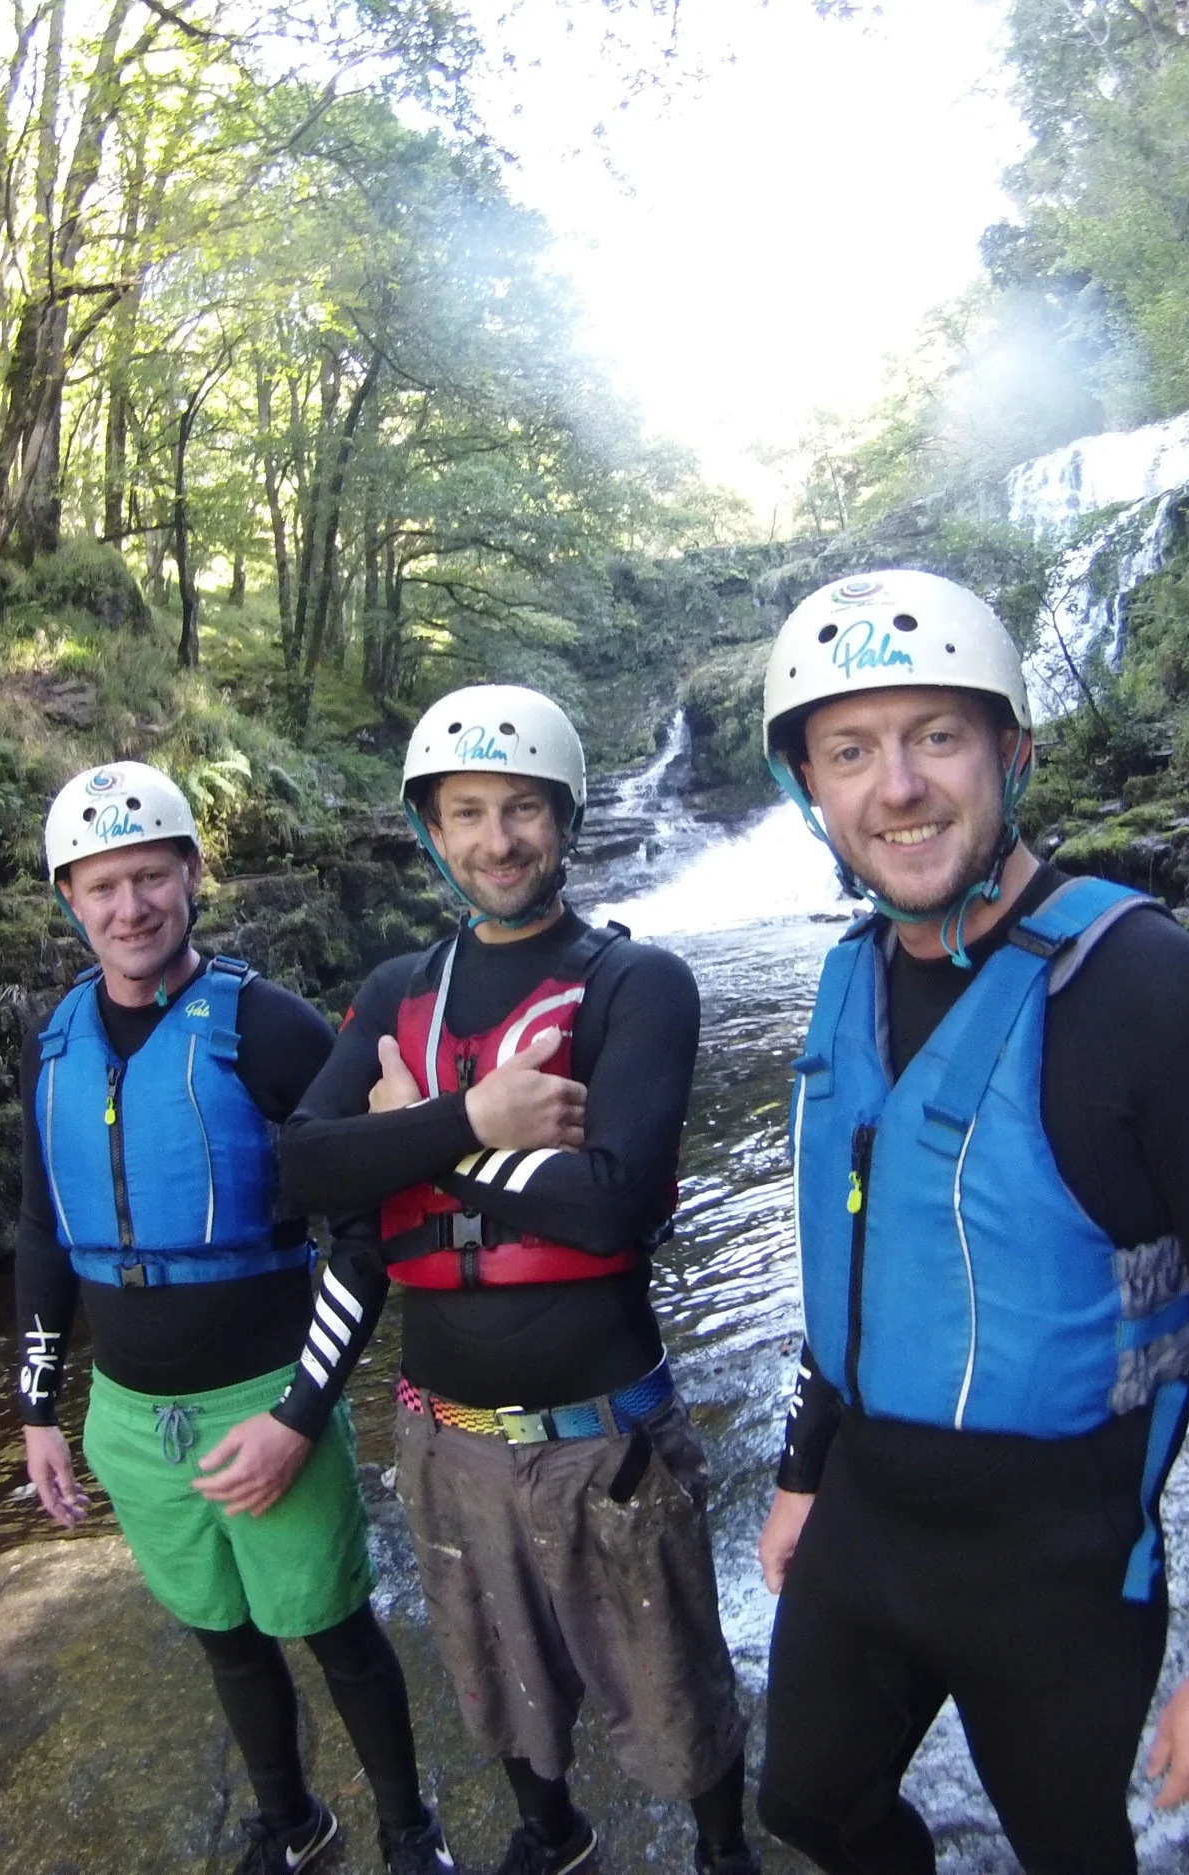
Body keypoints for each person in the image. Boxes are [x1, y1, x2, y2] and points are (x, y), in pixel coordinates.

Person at [749, 571, 1189, 1875]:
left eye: (936, 735)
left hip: (1059, 1573)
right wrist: (800, 1470)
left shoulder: (1150, 989)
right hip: (864, 1524)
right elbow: (860, 1258)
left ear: (1010, 747)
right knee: (812, 1808)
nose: (897, 785)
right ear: (811, 790)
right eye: (851, 750)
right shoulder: (851, 974)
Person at [266, 685, 757, 1875]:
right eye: (468, 812)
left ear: (565, 818)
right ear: (433, 831)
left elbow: (613, 1202)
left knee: (673, 1684)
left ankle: (722, 1849)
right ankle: (551, 1837)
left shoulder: (637, 985)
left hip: (604, 1438)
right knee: (495, 1677)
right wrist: (478, 1117)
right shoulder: (394, 993)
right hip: (445, 1434)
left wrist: (418, 1138)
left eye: (524, 808)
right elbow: (297, 1166)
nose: (498, 840)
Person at [12, 760, 451, 1875]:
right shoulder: (55, 1042)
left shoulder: (268, 1027)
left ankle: (409, 1835)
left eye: (150, 877)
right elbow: (40, 1230)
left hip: (264, 1400)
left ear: (194, 875)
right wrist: (38, 1410)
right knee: (224, 1635)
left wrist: (303, 1416)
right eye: (102, 886)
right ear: (70, 899)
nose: (130, 908)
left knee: (335, 1631)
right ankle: (293, 1824)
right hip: (128, 1417)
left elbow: (363, 1233)